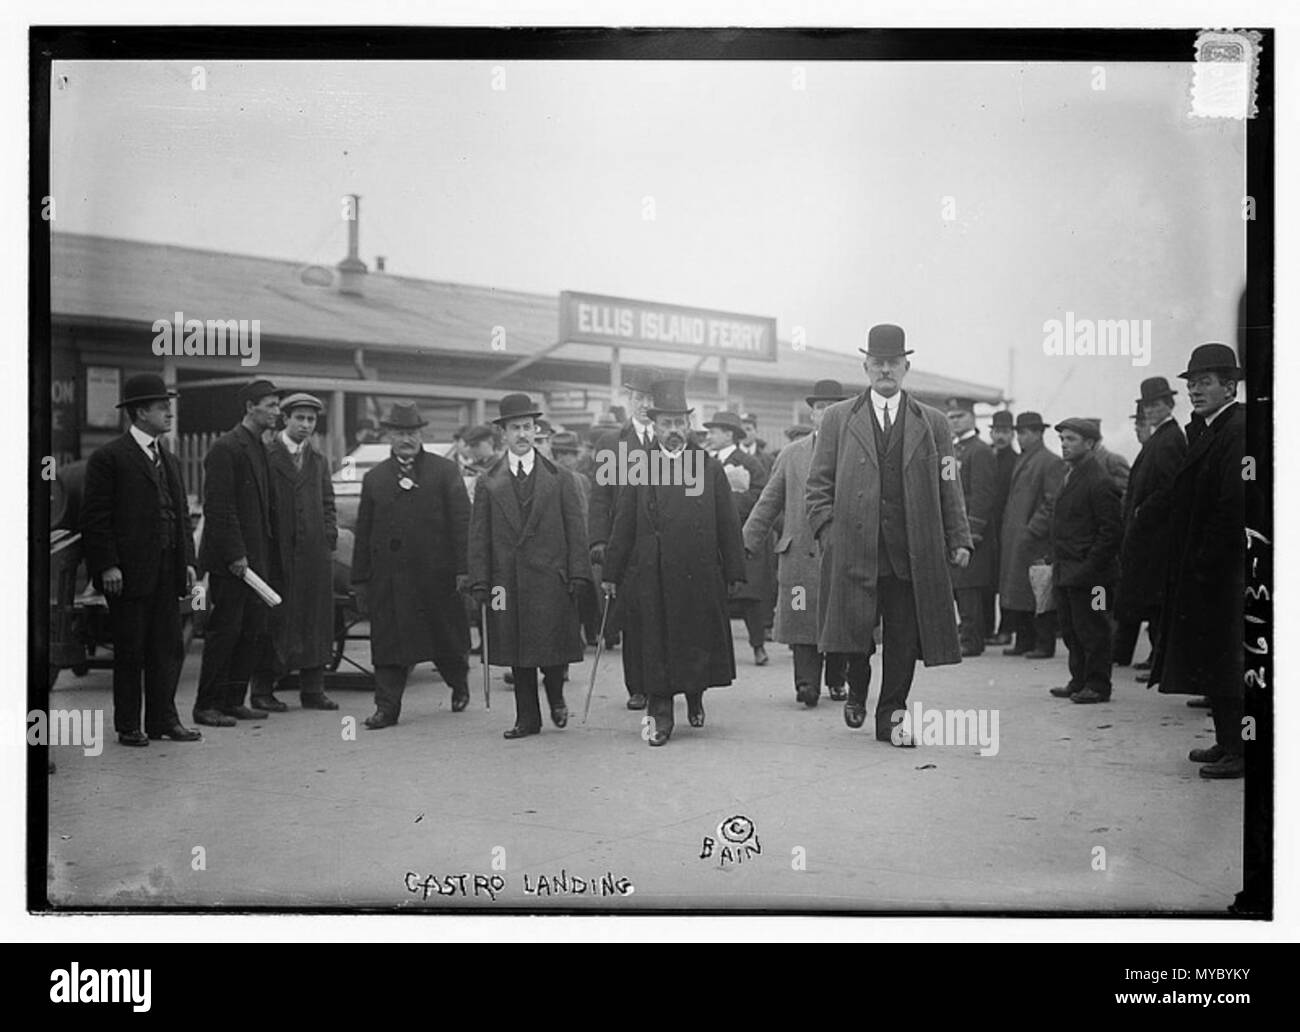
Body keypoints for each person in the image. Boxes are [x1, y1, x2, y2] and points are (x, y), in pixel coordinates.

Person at [805, 324, 972, 746]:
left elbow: (948, 483)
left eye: (893, 362)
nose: (885, 369)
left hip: (911, 553)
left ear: (905, 367)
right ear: (865, 366)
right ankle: (856, 688)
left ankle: (892, 719)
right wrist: (828, 532)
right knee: (854, 636)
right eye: (877, 362)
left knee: (903, 639)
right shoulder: (839, 419)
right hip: (853, 549)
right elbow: (817, 485)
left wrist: (959, 537)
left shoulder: (933, 424)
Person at [602, 378, 746, 746]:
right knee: (656, 646)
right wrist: (611, 572)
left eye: (679, 423)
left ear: (688, 425)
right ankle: (660, 715)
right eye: (666, 424)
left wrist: (734, 570)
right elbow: (624, 522)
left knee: (694, 643)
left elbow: (726, 521)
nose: (673, 431)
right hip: (652, 573)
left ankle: (695, 697)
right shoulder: (640, 465)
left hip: (697, 574)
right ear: (656, 426)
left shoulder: (706, 466)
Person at [81, 373, 201, 746]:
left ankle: (163, 721)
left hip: (168, 569)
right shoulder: (108, 458)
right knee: (131, 650)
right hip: (128, 573)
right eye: (161, 408)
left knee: (167, 648)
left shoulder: (170, 458)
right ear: (138, 413)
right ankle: (129, 725)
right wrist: (107, 565)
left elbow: (180, 514)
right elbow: (96, 518)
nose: (169, 414)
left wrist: (188, 561)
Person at [1149, 344, 1246, 779]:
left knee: (1231, 662)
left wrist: (1206, 560)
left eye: (1204, 381)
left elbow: (1234, 505)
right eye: (1191, 382)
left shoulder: (1237, 429)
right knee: (1217, 659)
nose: (1194, 390)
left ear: (1231, 385)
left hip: (1225, 572)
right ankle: (1228, 742)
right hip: (1207, 569)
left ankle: (1242, 750)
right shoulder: (1208, 429)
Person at [469, 394, 591, 739]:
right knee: (515, 649)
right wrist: (480, 581)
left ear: (536, 431)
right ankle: (527, 718)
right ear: (503, 434)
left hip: (551, 576)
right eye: (515, 428)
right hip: (503, 583)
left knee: (552, 647)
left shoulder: (561, 477)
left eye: (528, 427)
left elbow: (575, 528)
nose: (522, 434)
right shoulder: (488, 482)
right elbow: (478, 536)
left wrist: (579, 572)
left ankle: (555, 696)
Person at [352, 403, 472, 729]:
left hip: (437, 577)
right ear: (389, 436)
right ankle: (386, 709)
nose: (406, 439)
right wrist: (360, 579)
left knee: (445, 641)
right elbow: (363, 533)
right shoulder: (375, 479)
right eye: (400, 433)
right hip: (389, 580)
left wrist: (464, 569)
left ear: (422, 435)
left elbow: (463, 523)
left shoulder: (444, 471)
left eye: (412, 433)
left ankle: (458, 684)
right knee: (388, 644)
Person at [743, 379, 852, 707]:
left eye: (834, 409)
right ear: (812, 415)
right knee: (803, 619)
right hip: (800, 559)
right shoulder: (792, 455)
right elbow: (769, 501)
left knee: (839, 621)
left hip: (841, 556)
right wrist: (747, 540)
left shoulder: (856, 454)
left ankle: (836, 678)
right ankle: (806, 684)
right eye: (821, 409)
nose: (827, 414)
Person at [193, 378, 282, 727]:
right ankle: (206, 705)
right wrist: (234, 555)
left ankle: (233, 700)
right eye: (271, 405)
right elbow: (218, 508)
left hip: (255, 558)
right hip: (234, 562)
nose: (277, 412)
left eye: (277, 405)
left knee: (251, 631)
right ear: (250, 407)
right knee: (225, 631)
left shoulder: (258, 447)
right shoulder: (226, 448)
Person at [250, 393, 339, 712]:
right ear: (285, 419)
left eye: (311, 419)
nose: (305, 425)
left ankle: (312, 689)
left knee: (315, 619)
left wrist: (328, 534)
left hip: (314, 553)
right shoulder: (266, 455)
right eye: (299, 418)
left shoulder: (318, 460)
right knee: (276, 620)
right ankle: (262, 689)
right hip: (278, 553)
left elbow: (328, 502)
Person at [588, 368, 662, 708]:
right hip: (626, 547)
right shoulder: (611, 443)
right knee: (633, 617)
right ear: (628, 400)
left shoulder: (671, 441)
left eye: (650, 399)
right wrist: (599, 543)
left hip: (663, 544)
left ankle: (664, 682)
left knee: (664, 615)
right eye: (638, 398)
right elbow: (601, 497)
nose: (644, 405)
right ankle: (637, 687)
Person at [1046, 419, 1123, 704]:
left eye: (1071, 439)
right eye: (1062, 439)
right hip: (1069, 571)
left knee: (1094, 629)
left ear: (1090, 443)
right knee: (1072, 629)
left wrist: (1089, 568)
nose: (1064, 444)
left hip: (1093, 577)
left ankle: (1098, 685)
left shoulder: (1099, 481)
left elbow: (1111, 532)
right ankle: (1079, 680)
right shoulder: (1074, 475)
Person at [1114, 379, 1187, 669]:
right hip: (1150, 535)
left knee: (1156, 602)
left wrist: (1143, 511)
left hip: (1157, 536)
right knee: (1151, 601)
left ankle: (1161, 660)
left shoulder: (1170, 438)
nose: (1151, 410)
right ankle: (1157, 659)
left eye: (1157, 404)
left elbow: (1172, 486)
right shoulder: (1161, 437)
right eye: (1147, 405)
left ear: (1169, 405)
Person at [704, 410, 772, 665]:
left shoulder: (749, 462)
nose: (709, 436)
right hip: (709, 538)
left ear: (728, 434)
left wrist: (730, 499)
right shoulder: (703, 460)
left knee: (749, 595)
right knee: (712, 594)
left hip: (740, 535)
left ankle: (758, 646)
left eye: (713, 431)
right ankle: (715, 651)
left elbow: (763, 496)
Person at [998, 411, 1064, 659]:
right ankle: (1024, 640)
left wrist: (1032, 530)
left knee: (1040, 592)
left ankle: (1044, 644)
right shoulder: (1025, 459)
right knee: (1021, 593)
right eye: (1019, 432)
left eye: (1025, 432)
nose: (1020, 437)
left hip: (1034, 541)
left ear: (1039, 433)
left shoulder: (1049, 461)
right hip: (1018, 538)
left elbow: (1052, 502)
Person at [947, 397, 998, 657]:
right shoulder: (953, 450)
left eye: (959, 416)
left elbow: (983, 495)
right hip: (954, 530)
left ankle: (973, 639)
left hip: (970, 533)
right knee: (958, 586)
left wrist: (972, 531)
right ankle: (965, 634)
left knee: (969, 588)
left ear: (972, 417)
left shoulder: (980, 451)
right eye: (951, 417)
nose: (954, 421)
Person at [983, 409, 1019, 645]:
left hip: (1005, 527)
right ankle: (986, 628)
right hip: (987, 527)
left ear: (1012, 434)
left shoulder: (1016, 461)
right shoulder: (987, 455)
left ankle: (1006, 629)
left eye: (1005, 432)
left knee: (1005, 580)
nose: (1001, 437)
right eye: (997, 431)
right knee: (986, 579)